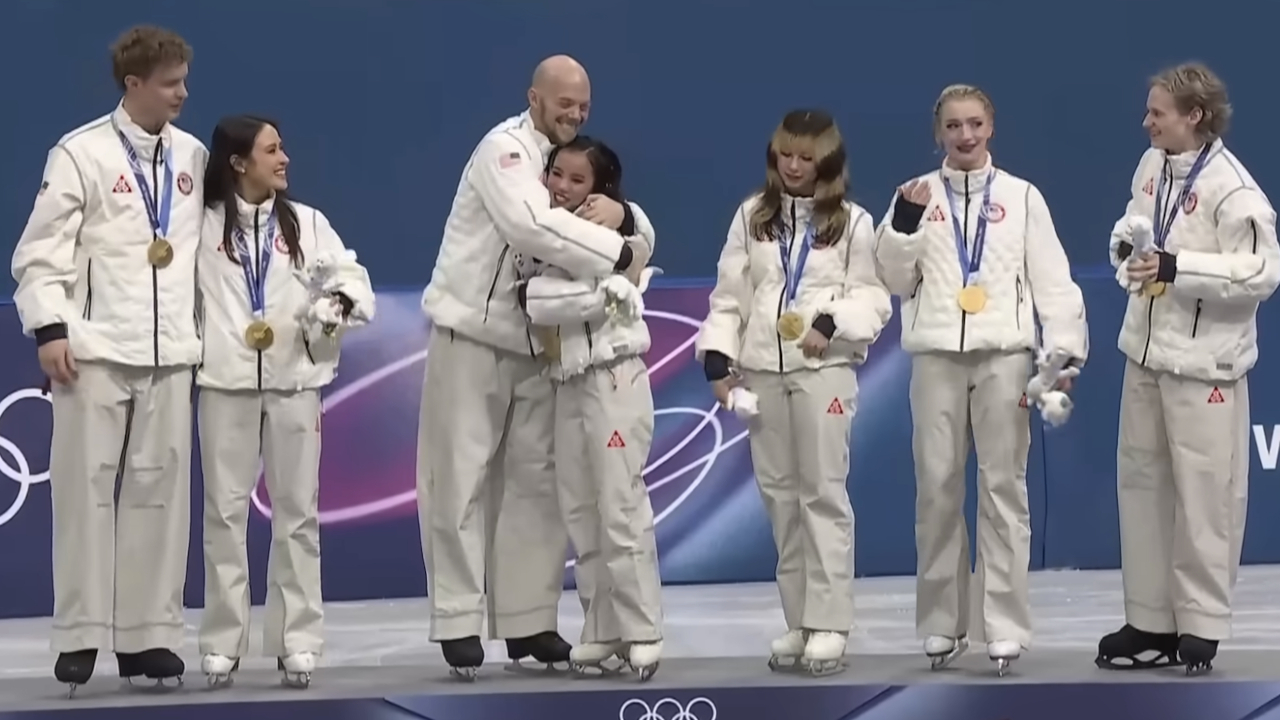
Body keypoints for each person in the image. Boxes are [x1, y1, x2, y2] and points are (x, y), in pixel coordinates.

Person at [417, 55, 649, 680]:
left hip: (542, 346)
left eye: (583, 106)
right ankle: (459, 622)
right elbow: (533, 226)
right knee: (458, 479)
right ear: (534, 98)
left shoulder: (574, 165)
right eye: (564, 103)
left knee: (536, 487)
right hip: (473, 333)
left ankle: (526, 622)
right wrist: (622, 249)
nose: (574, 114)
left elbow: (625, 213)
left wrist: (627, 222)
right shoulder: (505, 149)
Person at [10, 26, 204, 696]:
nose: (183, 92)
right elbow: (40, 252)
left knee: (161, 499)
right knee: (85, 496)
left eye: (184, 79)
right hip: (92, 354)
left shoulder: (194, 156)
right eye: (172, 82)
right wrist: (50, 329)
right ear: (134, 85)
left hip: (171, 355)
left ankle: (148, 637)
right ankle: (80, 636)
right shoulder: (81, 153)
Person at [874, 85, 1088, 675]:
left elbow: (1053, 281)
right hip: (936, 357)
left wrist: (1064, 353)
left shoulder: (1021, 197)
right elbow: (891, 277)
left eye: (974, 124)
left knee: (1003, 490)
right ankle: (942, 623)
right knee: (937, 490)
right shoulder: (913, 195)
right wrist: (906, 225)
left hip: (1005, 358)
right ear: (938, 132)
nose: (964, 136)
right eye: (953, 126)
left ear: (991, 126)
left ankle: (1005, 625)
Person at [694, 110, 893, 677]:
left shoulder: (852, 223)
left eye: (807, 158)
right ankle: (801, 620)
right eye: (786, 155)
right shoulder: (752, 217)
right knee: (781, 498)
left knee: (822, 495)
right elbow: (730, 296)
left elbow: (874, 299)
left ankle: (831, 622)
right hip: (761, 372)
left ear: (827, 162)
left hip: (823, 372)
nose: (795, 166)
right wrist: (717, 356)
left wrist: (830, 321)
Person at [1097, 63, 1278, 677]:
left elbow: (1261, 274)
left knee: (1206, 498)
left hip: (1206, 367)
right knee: (1142, 489)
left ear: (1194, 116)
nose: (1145, 121)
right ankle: (1150, 620)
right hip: (1144, 352)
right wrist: (1129, 251)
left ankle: (1201, 625)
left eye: (1157, 112)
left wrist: (1176, 267)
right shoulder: (1152, 165)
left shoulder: (1235, 190)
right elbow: (1133, 225)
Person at [195, 115, 375, 690]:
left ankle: (298, 638)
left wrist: (337, 308)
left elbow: (353, 279)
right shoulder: (202, 226)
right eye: (272, 150)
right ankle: (223, 640)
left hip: (295, 383)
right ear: (238, 162)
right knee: (224, 516)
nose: (285, 158)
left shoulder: (307, 223)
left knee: (297, 515)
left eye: (283, 148)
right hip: (225, 383)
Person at [520, 137, 663, 680]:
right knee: (581, 511)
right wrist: (587, 296)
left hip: (615, 377)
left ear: (600, 190)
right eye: (557, 173)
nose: (561, 186)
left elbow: (641, 243)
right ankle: (601, 627)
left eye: (577, 180)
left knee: (620, 506)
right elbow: (532, 299)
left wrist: (626, 214)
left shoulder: (615, 232)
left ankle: (643, 628)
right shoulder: (537, 230)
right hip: (566, 381)